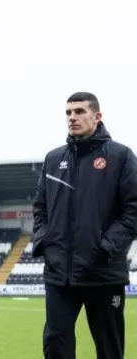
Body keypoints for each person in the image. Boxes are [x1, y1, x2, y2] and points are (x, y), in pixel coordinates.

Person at [32, 91, 137, 359]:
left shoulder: (120, 156)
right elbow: (40, 207)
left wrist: (107, 246)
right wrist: (44, 240)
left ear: (97, 116)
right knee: (55, 343)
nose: (72, 117)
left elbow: (134, 209)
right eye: (68, 112)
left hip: (102, 272)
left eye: (79, 111)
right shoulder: (53, 159)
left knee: (109, 347)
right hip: (59, 273)